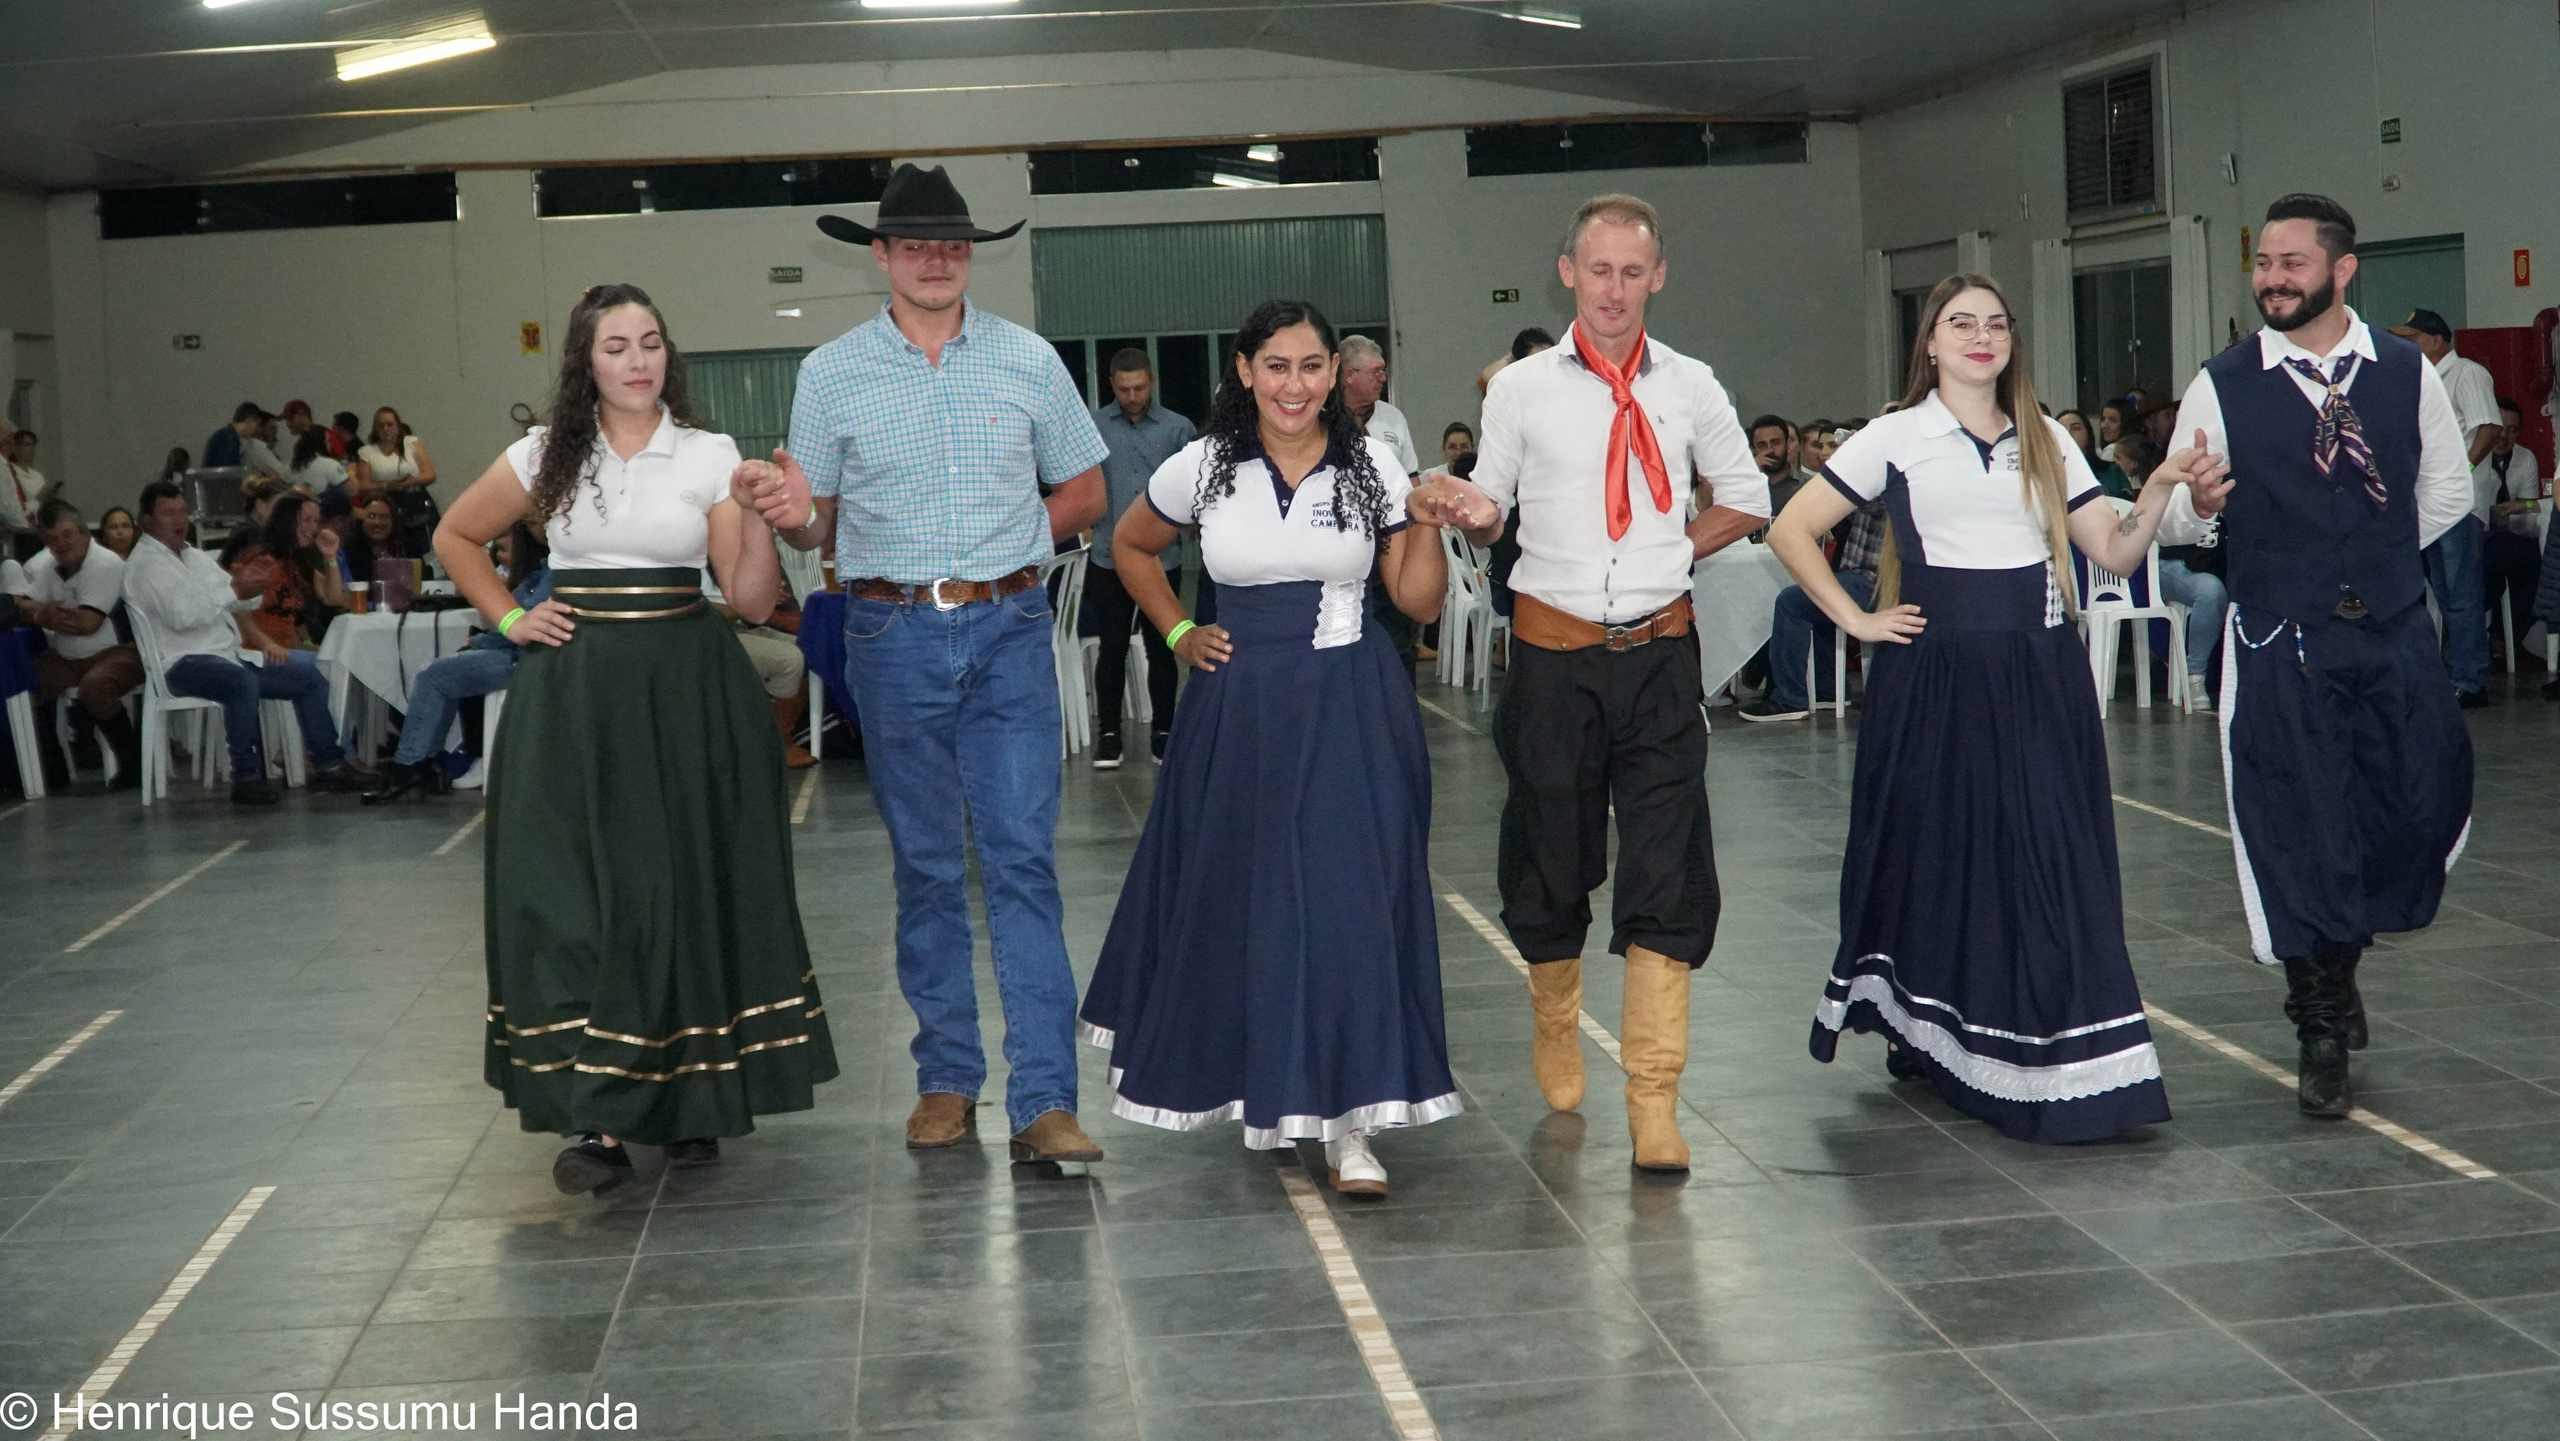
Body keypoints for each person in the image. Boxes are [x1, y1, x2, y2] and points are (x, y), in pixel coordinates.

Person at [437, 282, 838, 1195]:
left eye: (651, 341)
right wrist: (508, 620)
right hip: (574, 695)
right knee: (576, 893)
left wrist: (768, 513)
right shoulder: (542, 453)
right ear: (586, 360)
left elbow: (743, 600)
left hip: (687, 687)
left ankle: (693, 1098)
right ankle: (601, 1115)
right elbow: (456, 534)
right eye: (616, 345)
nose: (638, 359)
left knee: (683, 889)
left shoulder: (708, 453)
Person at [1771, 272, 2182, 1143]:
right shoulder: (1895, 434)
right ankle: (1929, 1025)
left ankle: (2061, 1046)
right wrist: (1857, 619)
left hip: (2038, 672)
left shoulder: (2044, 438)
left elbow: (2109, 546)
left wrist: (2159, 489)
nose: (1981, 335)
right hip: (1934, 676)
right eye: (1961, 322)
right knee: (1935, 852)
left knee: (2047, 851)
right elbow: (1790, 529)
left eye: (1996, 322)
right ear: (1930, 341)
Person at [1078, 300, 1458, 1196]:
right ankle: (1274, 1088)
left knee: (1352, 903)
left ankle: (1354, 1124)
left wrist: (1429, 519)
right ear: (1244, 370)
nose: (1297, 384)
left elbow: (1419, 602)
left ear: (1337, 373)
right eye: (1277, 366)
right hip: (1239, 711)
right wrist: (1175, 633)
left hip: (1353, 708)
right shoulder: (1203, 465)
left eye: (1313, 366)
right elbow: (1130, 546)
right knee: (1253, 904)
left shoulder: (1373, 461)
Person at [773, 163, 1109, 1165]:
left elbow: (1086, 489)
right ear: (879, 255)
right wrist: (789, 512)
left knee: (1021, 861)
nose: (935, 259)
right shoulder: (828, 373)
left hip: (1007, 627)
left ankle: (1045, 1098)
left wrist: (1007, 545)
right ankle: (947, 1079)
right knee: (925, 867)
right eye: (915, 244)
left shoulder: (1028, 359)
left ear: (971, 255)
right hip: (889, 635)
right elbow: (815, 515)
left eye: (952, 244)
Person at [1429, 193, 1770, 1172]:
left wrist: (1673, 542)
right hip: (1550, 657)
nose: (1615, 288)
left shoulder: (1691, 386)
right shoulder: (1520, 390)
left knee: (1668, 864)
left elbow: (1744, 496)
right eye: (1598, 269)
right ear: (1567, 272)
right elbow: (1491, 506)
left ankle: (1654, 1098)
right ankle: (1554, 1013)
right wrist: (1468, 509)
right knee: (1549, 856)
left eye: (1634, 271)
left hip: (1661, 656)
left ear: (1656, 276)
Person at [2154, 194, 2474, 1117]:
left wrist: (2365, 560)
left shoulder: (2405, 372)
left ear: (2343, 270)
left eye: (2291, 263)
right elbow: (2174, 508)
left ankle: (2342, 949)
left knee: (2415, 799)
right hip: (2279, 641)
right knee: (2299, 824)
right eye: (2262, 264)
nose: (2271, 280)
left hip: (2389, 633)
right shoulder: (2225, 381)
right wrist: (2203, 507)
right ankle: (2319, 1018)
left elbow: (2446, 492)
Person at [124, 480, 366, 804]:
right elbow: (183, 616)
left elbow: (236, 599)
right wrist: (237, 591)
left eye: (182, 511)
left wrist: (251, 587)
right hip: (179, 661)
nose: (180, 520)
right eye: (169, 514)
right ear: (147, 521)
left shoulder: (192, 556)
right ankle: (246, 776)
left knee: (309, 675)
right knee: (241, 682)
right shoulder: (146, 565)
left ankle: (329, 764)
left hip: (227, 653)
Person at [365, 526, 551, 804]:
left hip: (525, 657)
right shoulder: (546, 570)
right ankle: (423, 762)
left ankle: (410, 766)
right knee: (445, 670)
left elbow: (518, 627)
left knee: (435, 675)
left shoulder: (549, 574)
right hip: (523, 652)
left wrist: (481, 642)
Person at [1087, 346, 1197, 768]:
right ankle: (1109, 735)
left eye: (1140, 387)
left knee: (1163, 644)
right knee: (1111, 647)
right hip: (1107, 557)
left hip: (1161, 558)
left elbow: (1193, 488)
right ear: (1113, 385)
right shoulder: (1094, 426)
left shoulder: (1177, 429)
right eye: (1124, 389)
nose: (1133, 396)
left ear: (1151, 380)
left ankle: (1164, 731)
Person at [2391, 309, 2503, 706]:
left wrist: (2464, 467)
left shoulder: (2466, 373)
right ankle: (2453, 674)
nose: (2408, 345)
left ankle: (2471, 681)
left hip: (2458, 504)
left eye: (2415, 338)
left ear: (2437, 339)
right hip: (2430, 505)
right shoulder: (2423, 380)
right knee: (2442, 592)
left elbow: (2489, 426)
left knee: (2461, 593)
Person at [1737, 481, 1887, 723]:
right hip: (1867, 577)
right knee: (1819, 595)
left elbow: (1858, 499)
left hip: (1874, 580)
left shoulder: (1883, 481)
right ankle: (1827, 689)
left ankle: (1789, 698)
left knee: (1791, 601)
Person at [21, 501, 145, 789]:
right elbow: (21, 603)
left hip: (122, 652)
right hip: (67, 658)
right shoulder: (49, 566)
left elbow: (88, 624)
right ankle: (53, 770)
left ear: (85, 534)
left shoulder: (106, 563)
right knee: (24, 682)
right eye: (51, 539)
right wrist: (42, 612)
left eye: (67, 535)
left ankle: (133, 764)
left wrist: (44, 615)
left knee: (95, 687)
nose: (60, 544)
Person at [2479, 397, 2542, 657]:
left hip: (2509, 539)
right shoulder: (2474, 456)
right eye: (2499, 427)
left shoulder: (2526, 459)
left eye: (2513, 430)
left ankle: (2504, 636)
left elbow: (2529, 507)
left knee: (2540, 559)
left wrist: (2518, 507)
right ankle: (2497, 637)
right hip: (2476, 538)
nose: (2504, 436)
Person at [244, 493, 346, 648]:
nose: (313, 528)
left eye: (316, 521)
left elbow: (333, 598)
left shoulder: (301, 560)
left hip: (292, 648)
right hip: (263, 649)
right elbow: (241, 610)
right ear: (286, 521)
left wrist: (330, 557)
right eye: (306, 520)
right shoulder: (261, 559)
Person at [361, 407, 442, 557]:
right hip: (386, 504)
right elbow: (364, 486)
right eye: (381, 426)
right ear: (375, 428)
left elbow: (430, 474)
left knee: (423, 549)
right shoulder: (367, 452)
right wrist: (386, 485)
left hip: (415, 502)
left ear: (398, 425)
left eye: (390, 425)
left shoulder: (412, 443)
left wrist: (411, 481)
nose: (386, 429)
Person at [1338, 335, 1419, 479]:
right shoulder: (1322, 419)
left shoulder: (1394, 417)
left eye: (1383, 371)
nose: (1383, 378)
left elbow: (1411, 478)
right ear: (1349, 375)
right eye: (1375, 372)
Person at [343, 495, 406, 584]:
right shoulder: (347, 551)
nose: (377, 522)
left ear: (393, 522)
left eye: (384, 517)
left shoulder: (402, 549)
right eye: (371, 516)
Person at [203, 402, 264, 471]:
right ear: (250, 420)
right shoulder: (229, 439)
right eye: (257, 425)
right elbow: (228, 474)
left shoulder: (225, 435)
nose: (256, 430)